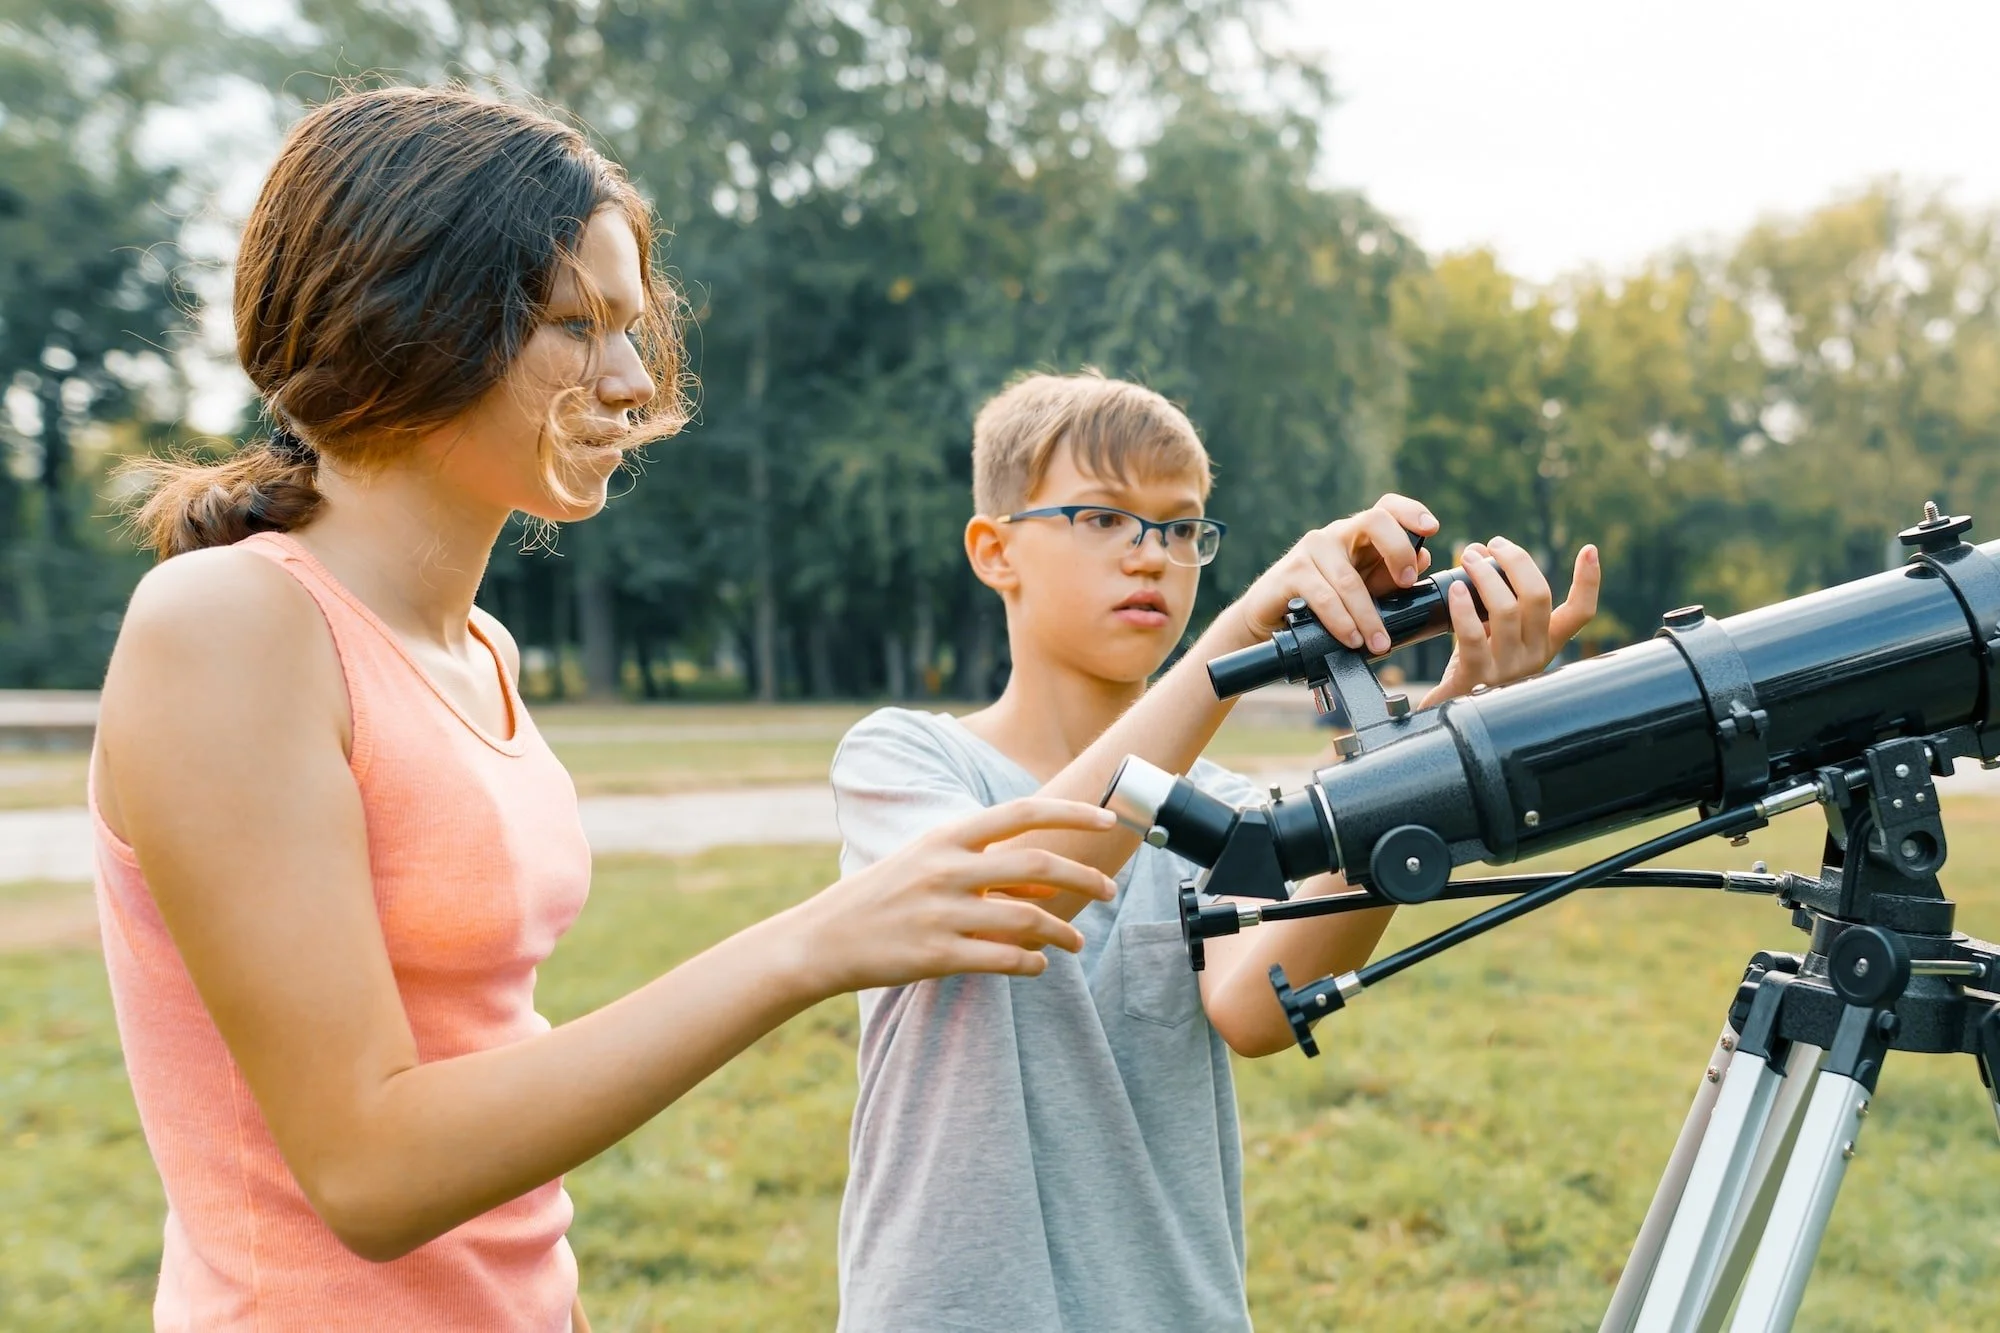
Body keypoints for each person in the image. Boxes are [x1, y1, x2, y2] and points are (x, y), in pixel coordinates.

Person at [92, 86, 1121, 1333]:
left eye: (631, 326)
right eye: (578, 328)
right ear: (406, 319)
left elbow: (488, 1067)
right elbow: (370, 1169)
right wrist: (811, 943)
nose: (632, 381)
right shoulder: (230, 626)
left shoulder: (482, 647)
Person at [830, 370, 1601, 1331]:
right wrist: (1240, 635)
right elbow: (1013, 891)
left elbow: (1253, 1005)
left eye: (1182, 526)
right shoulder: (905, 759)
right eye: (1102, 518)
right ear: (995, 551)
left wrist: (1451, 728)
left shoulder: (1226, 807)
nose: (1152, 557)